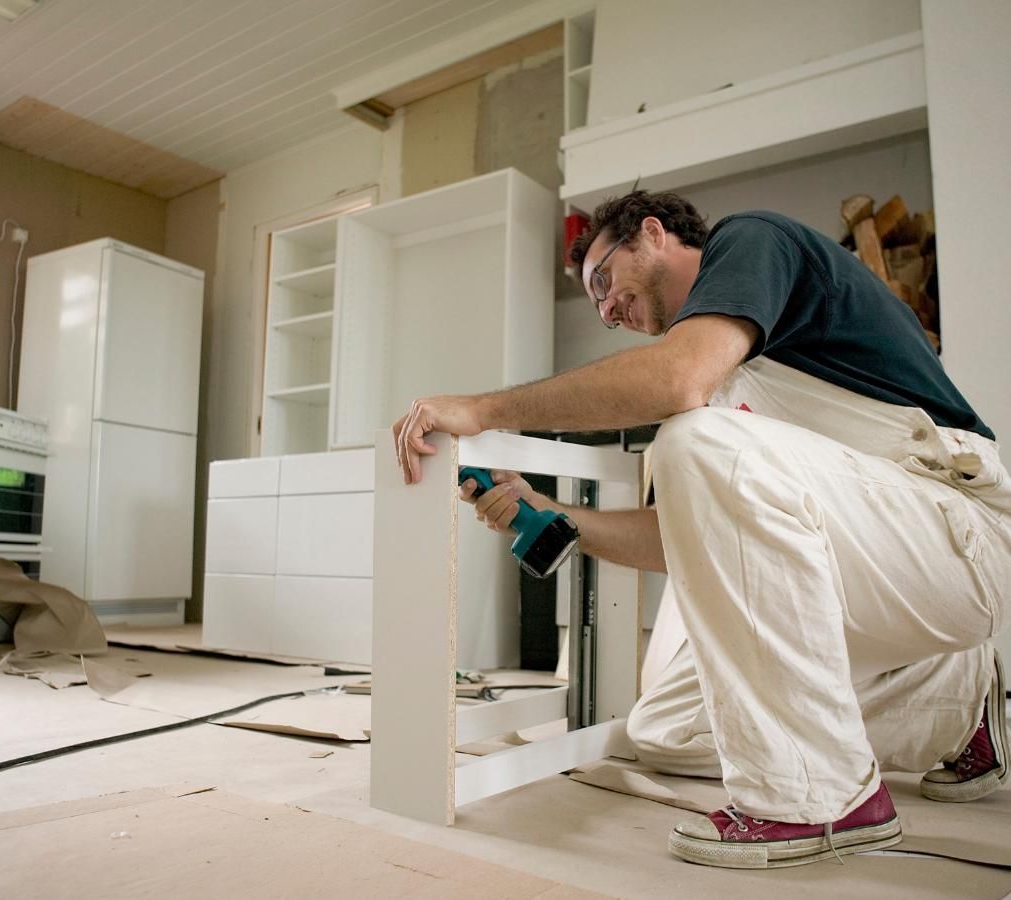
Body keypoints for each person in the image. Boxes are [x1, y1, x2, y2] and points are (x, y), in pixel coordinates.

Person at [390, 190, 1010, 870]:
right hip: (881, 574)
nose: (605, 310)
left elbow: (679, 380)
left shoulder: (752, 240)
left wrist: (484, 410)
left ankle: (820, 796)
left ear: (653, 234)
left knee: (692, 439)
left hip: (960, 534)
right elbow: (690, 536)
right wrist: (558, 517)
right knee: (664, 731)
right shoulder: (720, 393)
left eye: (604, 281)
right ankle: (955, 708)